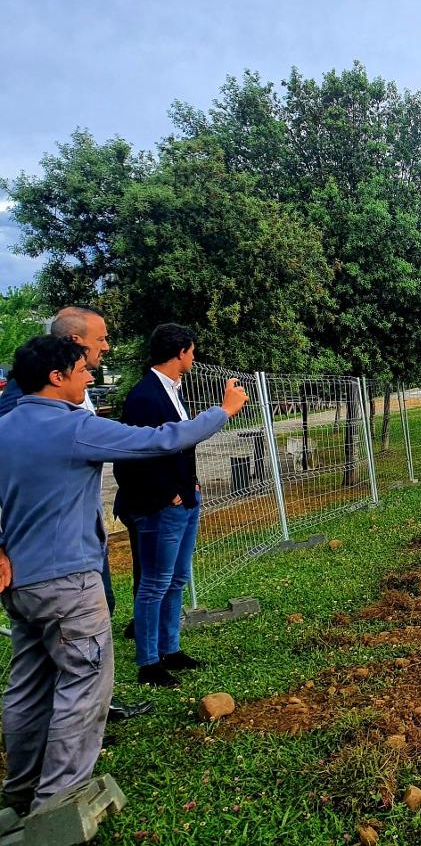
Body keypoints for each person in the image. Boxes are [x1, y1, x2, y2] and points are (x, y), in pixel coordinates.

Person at [0, 335, 247, 814]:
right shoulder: (73, 427)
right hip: (71, 583)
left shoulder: (4, 427)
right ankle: (58, 805)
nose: (90, 376)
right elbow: (160, 440)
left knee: (28, 688)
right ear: (57, 377)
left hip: (21, 586)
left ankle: (21, 792)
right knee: (83, 686)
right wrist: (224, 411)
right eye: (82, 369)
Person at [0, 307, 150, 723]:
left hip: (77, 546)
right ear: (74, 344)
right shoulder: (20, 399)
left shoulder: (71, 391)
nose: (105, 347)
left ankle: (85, 715)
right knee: (60, 667)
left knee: (80, 645)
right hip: (50, 562)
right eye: (100, 339)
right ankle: (67, 767)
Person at [112, 324, 207, 687]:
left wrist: (190, 485)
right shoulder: (145, 396)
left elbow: (178, 445)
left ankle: (171, 648)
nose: (194, 358)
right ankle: (149, 663)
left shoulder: (171, 391)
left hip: (184, 499)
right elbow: (135, 455)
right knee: (155, 582)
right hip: (159, 506)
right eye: (192, 351)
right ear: (180, 352)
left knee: (177, 577)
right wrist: (170, 493)